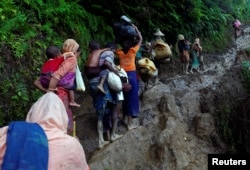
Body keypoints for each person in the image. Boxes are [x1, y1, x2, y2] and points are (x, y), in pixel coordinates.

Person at [0, 92, 90, 170]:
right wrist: (75, 143)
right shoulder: (72, 145)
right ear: (62, 115)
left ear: (34, 111)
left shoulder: (9, 132)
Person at [87, 40, 123, 149]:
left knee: (100, 114)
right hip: (102, 83)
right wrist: (117, 73)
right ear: (113, 49)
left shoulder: (92, 56)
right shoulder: (108, 53)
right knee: (114, 107)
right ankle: (112, 135)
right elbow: (107, 64)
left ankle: (101, 140)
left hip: (92, 83)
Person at [116, 23, 142, 130]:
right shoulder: (132, 51)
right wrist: (136, 28)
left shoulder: (119, 52)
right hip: (131, 75)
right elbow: (141, 39)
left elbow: (114, 44)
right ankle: (129, 122)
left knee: (124, 97)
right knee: (132, 97)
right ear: (131, 44)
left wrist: (118, 37)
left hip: (122, 76)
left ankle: (123, 117)